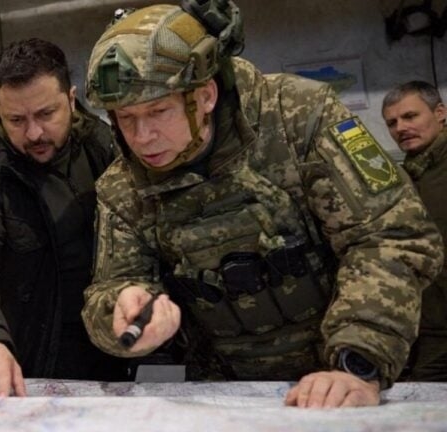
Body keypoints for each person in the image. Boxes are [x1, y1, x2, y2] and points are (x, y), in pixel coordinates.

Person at [81, 2, 443, 408]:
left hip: (345, 375)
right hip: (227, 397)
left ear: (205, 95)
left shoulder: (299, 116)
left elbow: (389, 235)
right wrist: (120, 309)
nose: (141, 136)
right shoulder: (122, 186)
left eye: (158, 110)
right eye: (125, 117)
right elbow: (108, 290)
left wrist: (358, 362)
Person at [0, 37, 127, 397]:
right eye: (16, 120)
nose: (34, 133)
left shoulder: (110, 150)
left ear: (71, 99)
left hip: (121, 355)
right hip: (34, 363)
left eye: (46, 114)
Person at [382, 81, 447, 381]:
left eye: (410, 116)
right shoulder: (406, 174)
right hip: (425, 324)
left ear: (440, 113)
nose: (401, 128)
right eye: (392, 123)